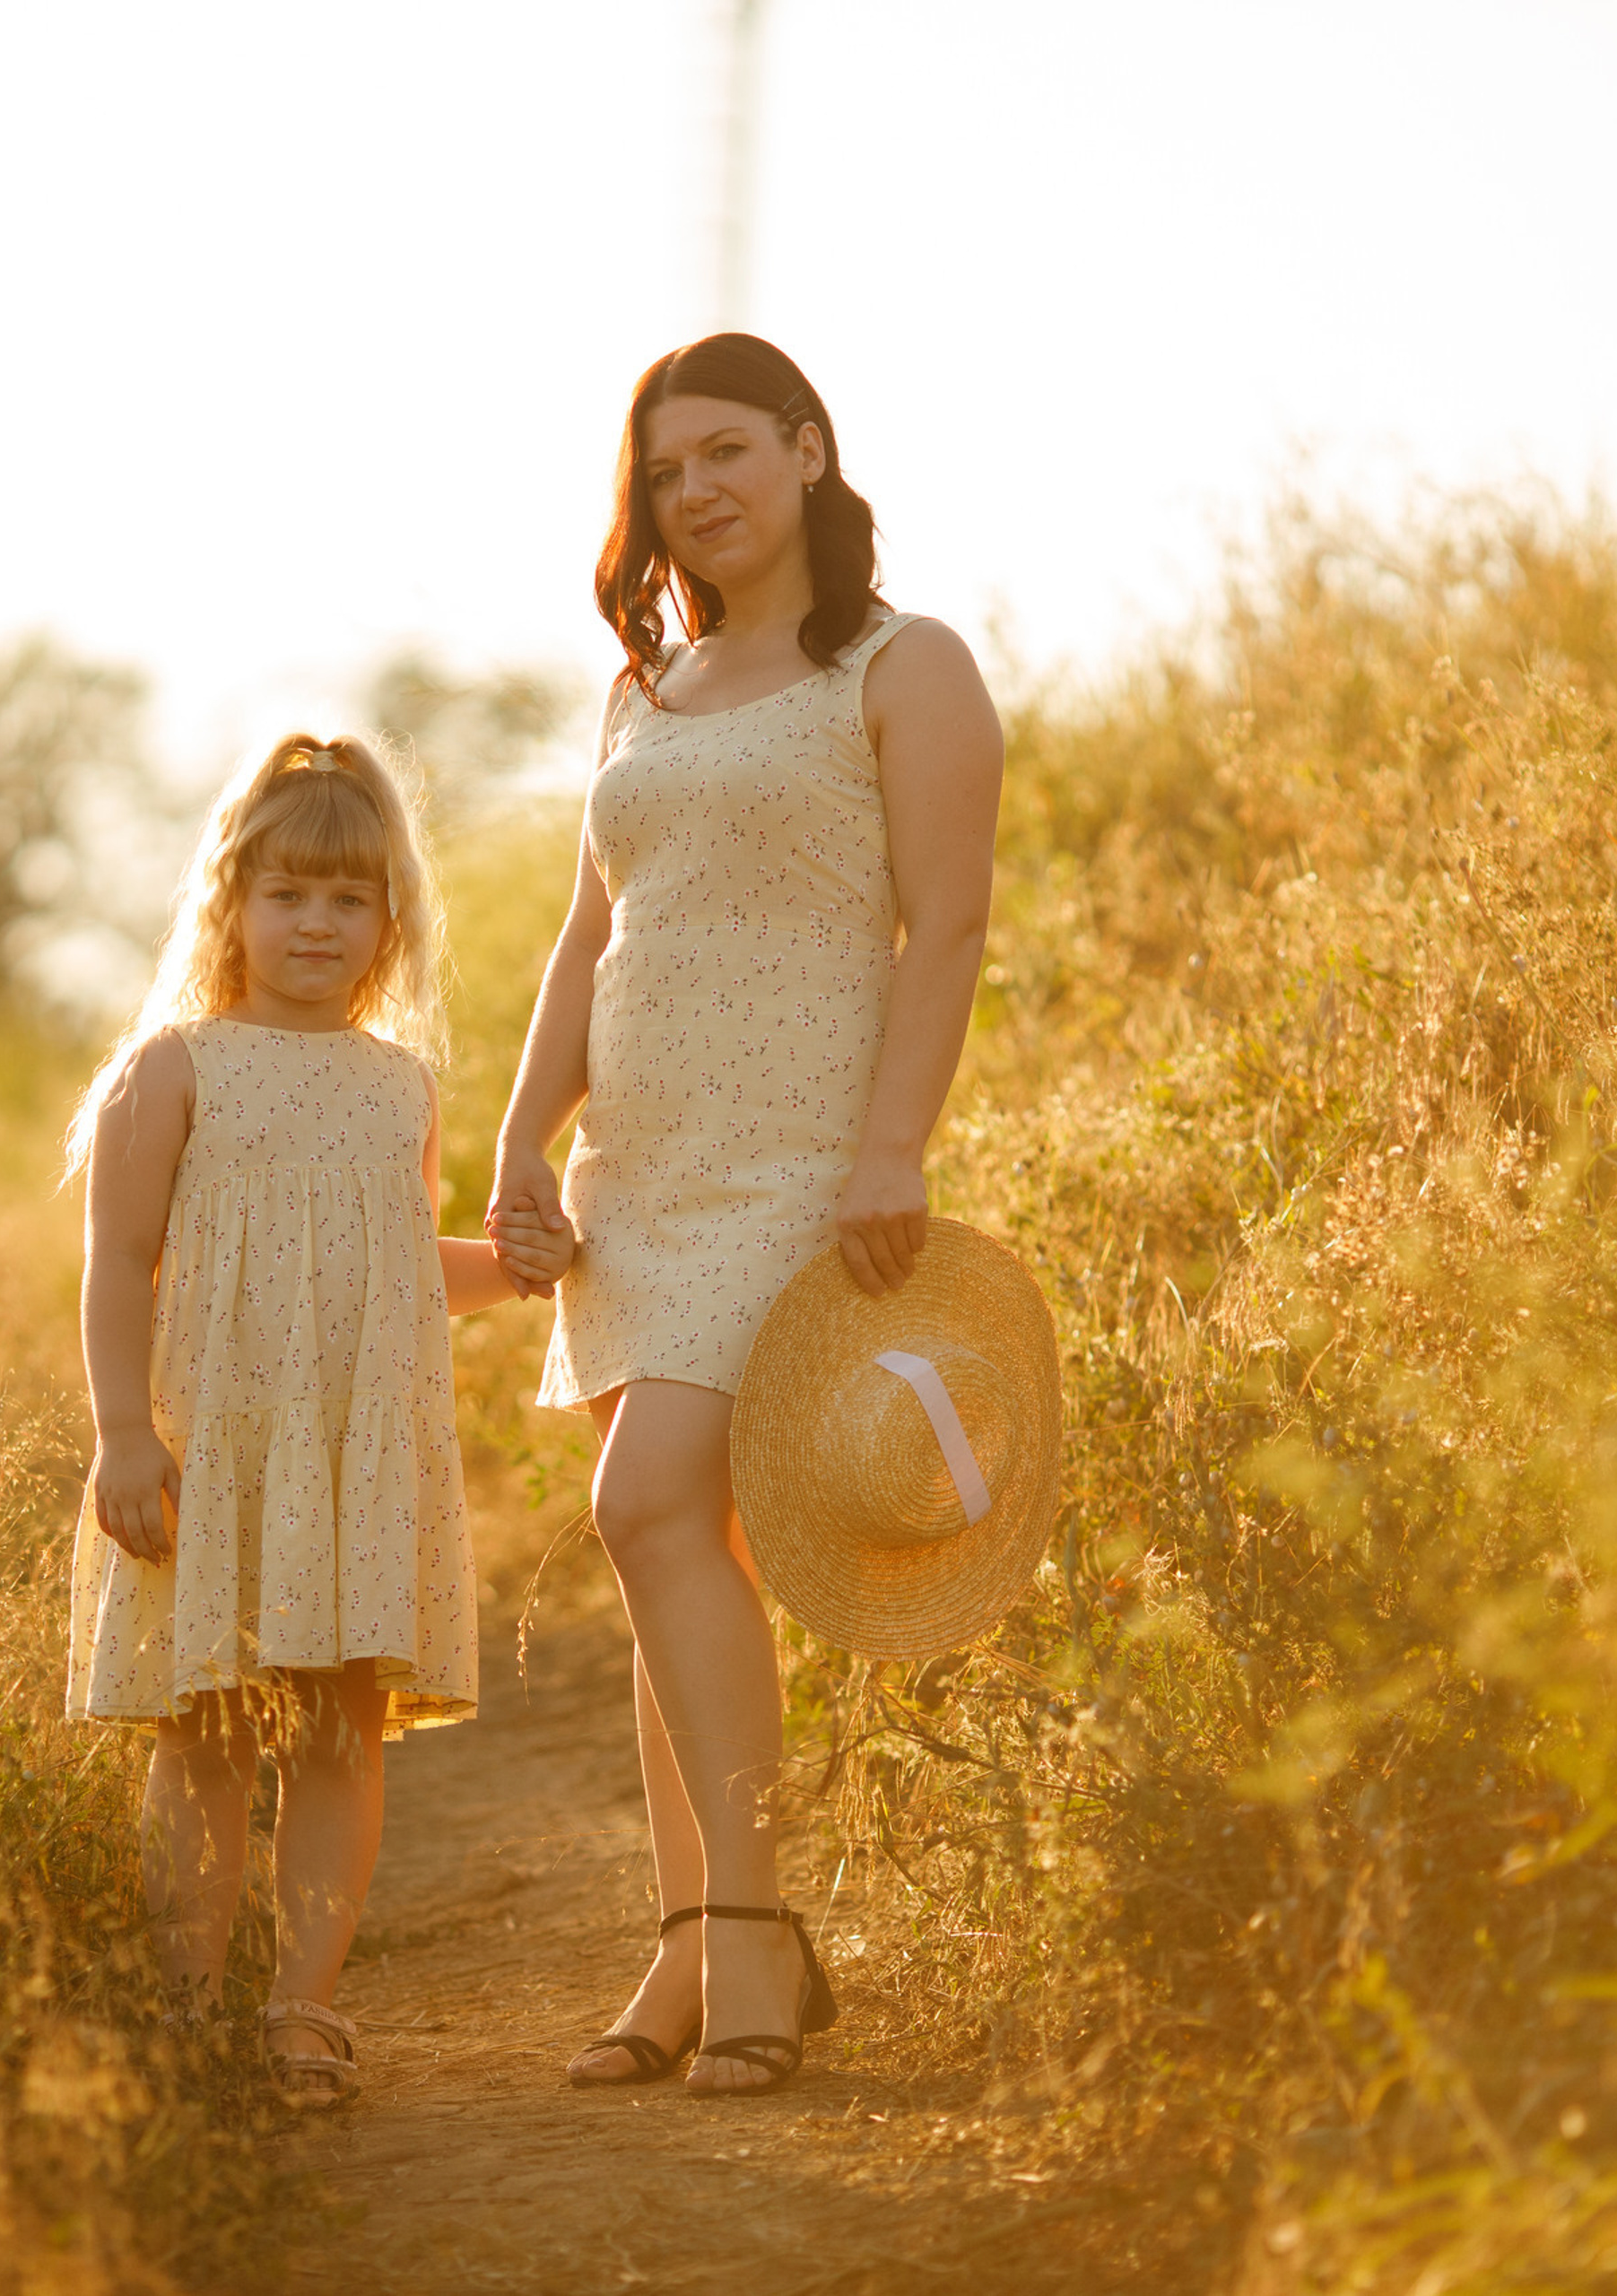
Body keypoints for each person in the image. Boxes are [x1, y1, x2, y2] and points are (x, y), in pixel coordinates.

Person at [487, 335, 1004, 2098]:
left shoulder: (896, 663)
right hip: (632, 1173)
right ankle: (689, 1939)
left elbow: (942, 927)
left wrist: (890, 1146)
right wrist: (517, 1144)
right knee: (666, 1547)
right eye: (658, 470)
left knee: (639, 1502)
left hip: (792, 1162)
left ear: (802, 451)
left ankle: (750, 1928)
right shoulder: (643, 687)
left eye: (722, 451)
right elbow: (588, 933)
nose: (689, 490)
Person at [65, 734, 572, 2104]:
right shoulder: (171, 1070)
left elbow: (405, 1267)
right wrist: (123, 1433)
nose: (315, 923)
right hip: (217, 1452)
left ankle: (304, 2009)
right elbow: (117, 1267)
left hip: (353, 1460)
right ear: (230, 901)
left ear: (388, 924)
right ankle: (184, 2005)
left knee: (342, 1730)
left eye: (347, 900)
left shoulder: (396, 1088)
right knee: (210, 1733)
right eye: (287, 892)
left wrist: (527, 1264)